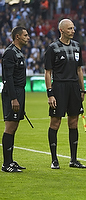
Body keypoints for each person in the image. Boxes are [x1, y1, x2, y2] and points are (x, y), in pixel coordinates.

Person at [44, 19, 86, 169]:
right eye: (69, 29)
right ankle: (54, 159)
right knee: (55, 123)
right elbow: (48, 73)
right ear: (61, 30)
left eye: (73, 28)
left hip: (74, 87)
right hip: (59, 88)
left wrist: (82, 89)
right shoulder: (53, 48)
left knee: (73, 123)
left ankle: (73, 159)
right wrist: (50, 94)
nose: (73, 31)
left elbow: (79, 70)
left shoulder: (76, 46)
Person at [1, 26, 30, 173]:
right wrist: (13, 98)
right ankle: (6, 164)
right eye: (25, 35)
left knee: (14, 127)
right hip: (12, 93)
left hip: (19, 91)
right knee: (10, 127)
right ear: (17, 37)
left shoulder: (17, 52)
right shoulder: (10, 53)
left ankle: (10, 161)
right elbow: (8, 78)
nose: (28, 37)